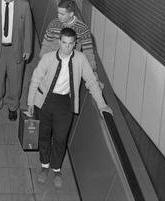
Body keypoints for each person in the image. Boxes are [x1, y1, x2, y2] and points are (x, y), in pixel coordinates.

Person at [27, 27, 112, 188]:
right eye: (64, 43)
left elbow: (91, 82)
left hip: (65, 103)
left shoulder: (80, 59)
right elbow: (35, 79)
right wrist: (30, 102)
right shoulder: (48, 58)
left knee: (60, 138)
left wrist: (102, 105)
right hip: (44, 101)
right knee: (44, 136)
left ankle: (56, 168)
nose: (66, 47)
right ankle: (44, 166)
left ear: (75, 44)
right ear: (59, 42)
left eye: (70, 44)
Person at [39, 0, 96, 70]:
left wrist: (92, 70)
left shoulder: (82, 28)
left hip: (70, 67)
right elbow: (46, 44)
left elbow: (88, 51)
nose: (58, 16)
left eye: (62, 14)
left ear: (71, 14)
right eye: (58, 13)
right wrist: (42, 62)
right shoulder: (53, 24)